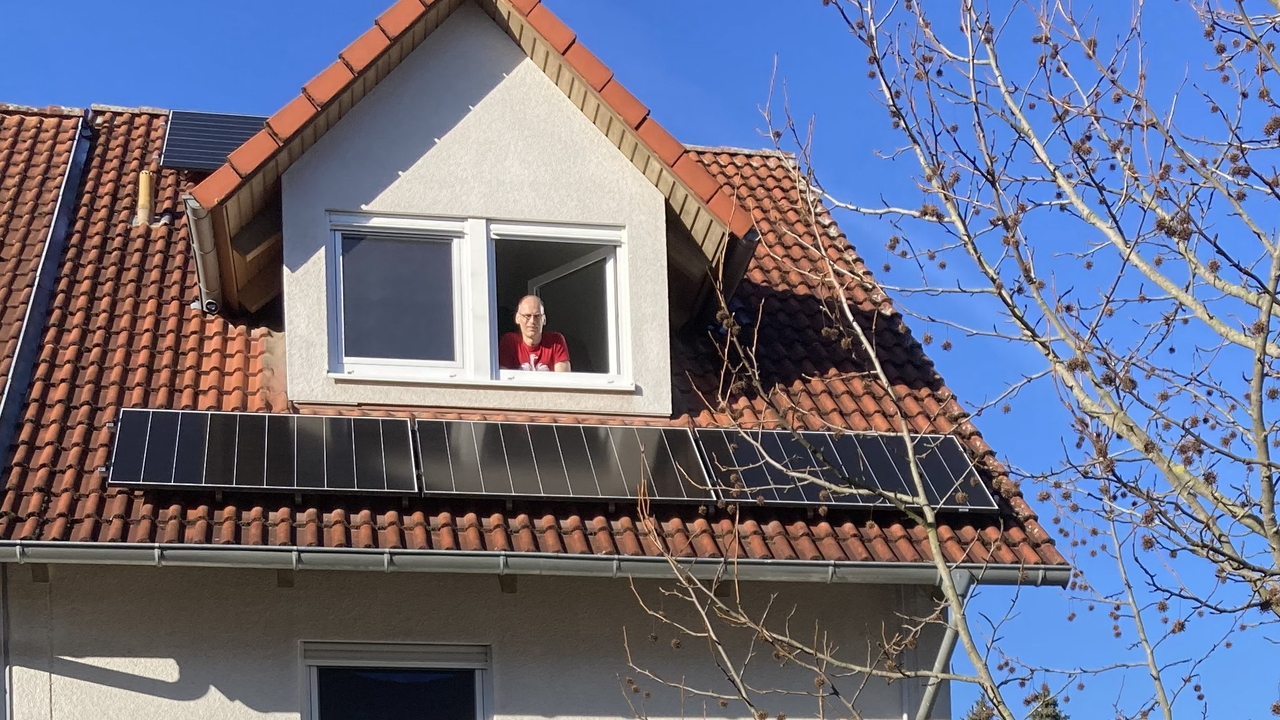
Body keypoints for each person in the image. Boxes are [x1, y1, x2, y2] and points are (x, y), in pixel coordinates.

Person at [499, 295, 571, 372]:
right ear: (517, 318)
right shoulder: (510, 341)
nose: (532, 321)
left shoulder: (556, 341)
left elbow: (563, 379)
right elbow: (503, 378)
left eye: (537, 316)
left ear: (544, 320)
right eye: (527, 316)